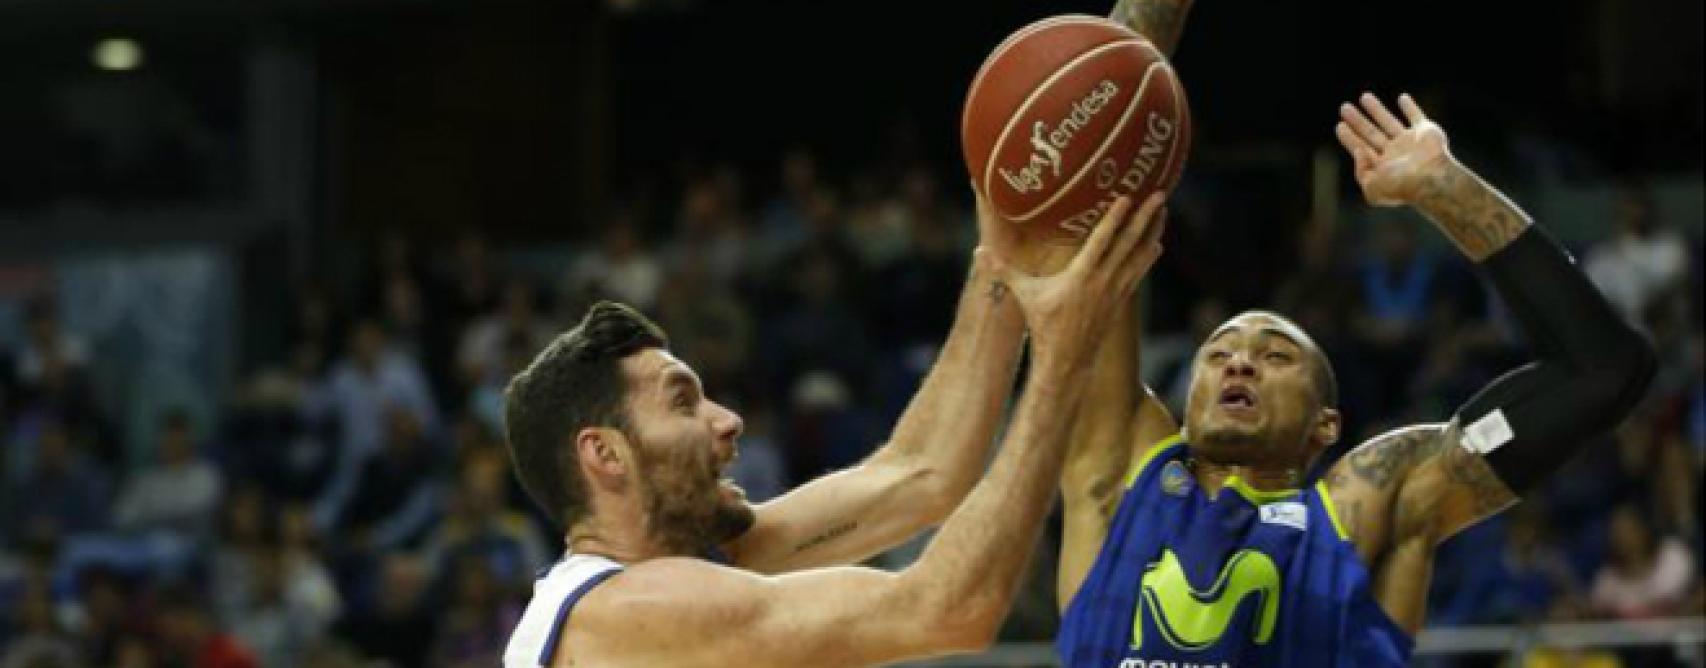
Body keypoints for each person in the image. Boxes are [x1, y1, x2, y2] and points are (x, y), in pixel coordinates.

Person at [1052, 9, 1655, 663]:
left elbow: (1606, 369)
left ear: (1326, 426)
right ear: (1186, 395)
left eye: (1275, 355)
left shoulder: (1366, 506)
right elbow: (1094, 190)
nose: (1241, 363)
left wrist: (1445, 190)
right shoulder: (1123, 476)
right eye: (1218, 353)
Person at [500, 190, 1168, 667]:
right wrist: (1062, 360)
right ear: (605, 455)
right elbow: (948, 608)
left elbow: (919, 474)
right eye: (683, 404)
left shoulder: (684, 571)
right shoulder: (629, 612)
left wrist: (1004, 256)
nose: (729, 421)